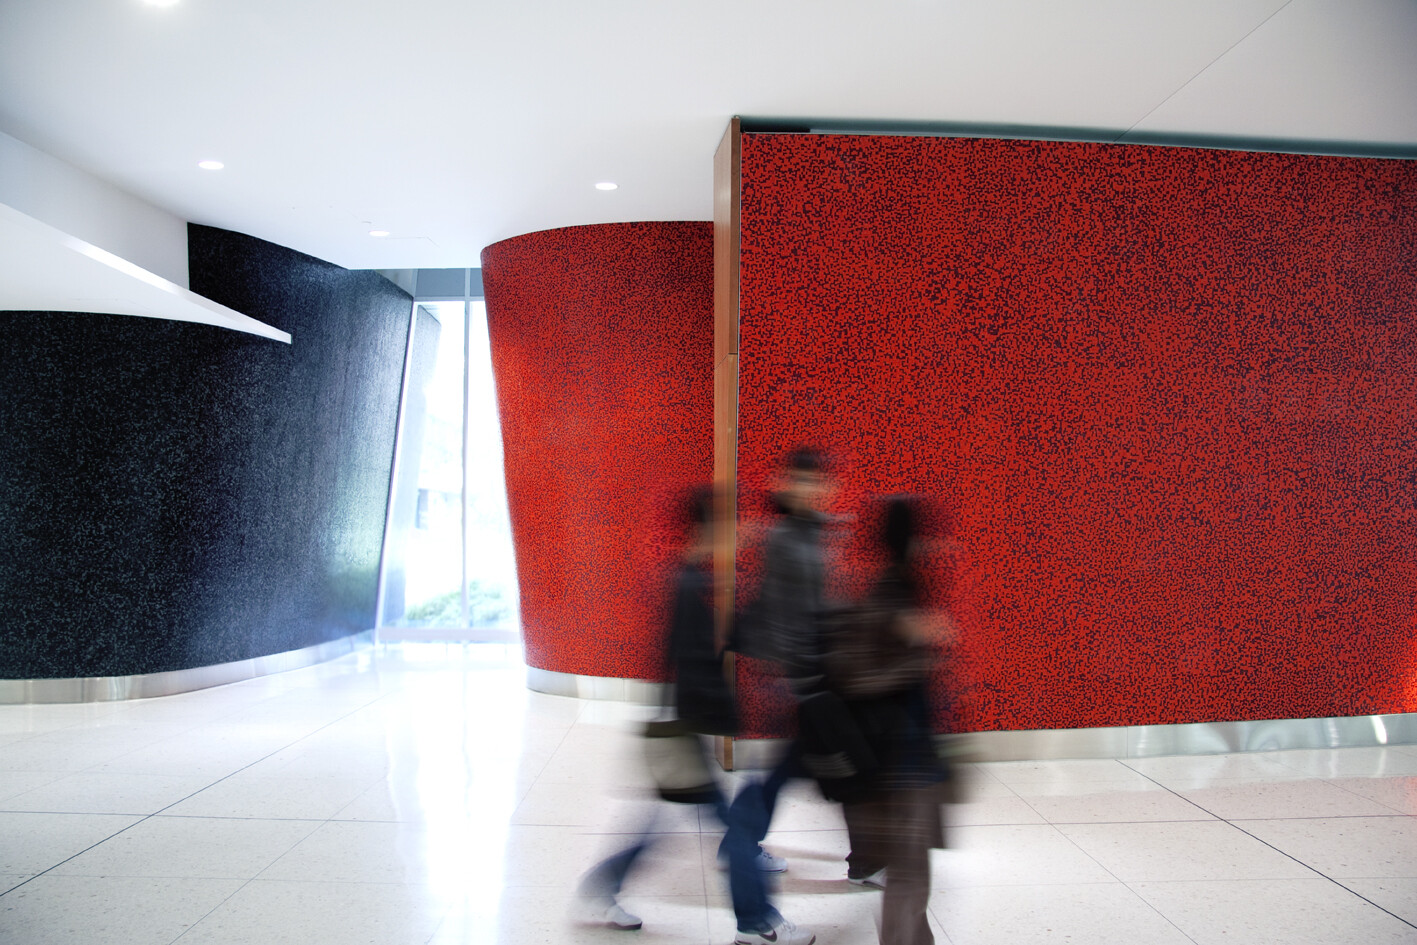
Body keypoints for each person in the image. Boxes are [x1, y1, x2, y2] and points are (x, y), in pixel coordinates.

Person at [577, 486, 814, 945]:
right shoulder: (690, 586)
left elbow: (714, 646)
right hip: (683, 734)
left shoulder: (691, 580)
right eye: (731, 525)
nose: (740, 533)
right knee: (734, 830)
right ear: (709, 529)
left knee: (662, 823)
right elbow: (693, 667)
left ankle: (601, 890)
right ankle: (757, 922)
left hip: (678, 732)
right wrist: (733, 715)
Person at [824, 496, 949, 945]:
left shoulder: (905, 587)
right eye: (929, 538)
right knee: (910, 878)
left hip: (905, 759)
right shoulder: (892, 592)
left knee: (910, 877)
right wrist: (916, 654)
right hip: (900, 762)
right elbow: (858, 675)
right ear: (914, 541)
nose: (937, 546)